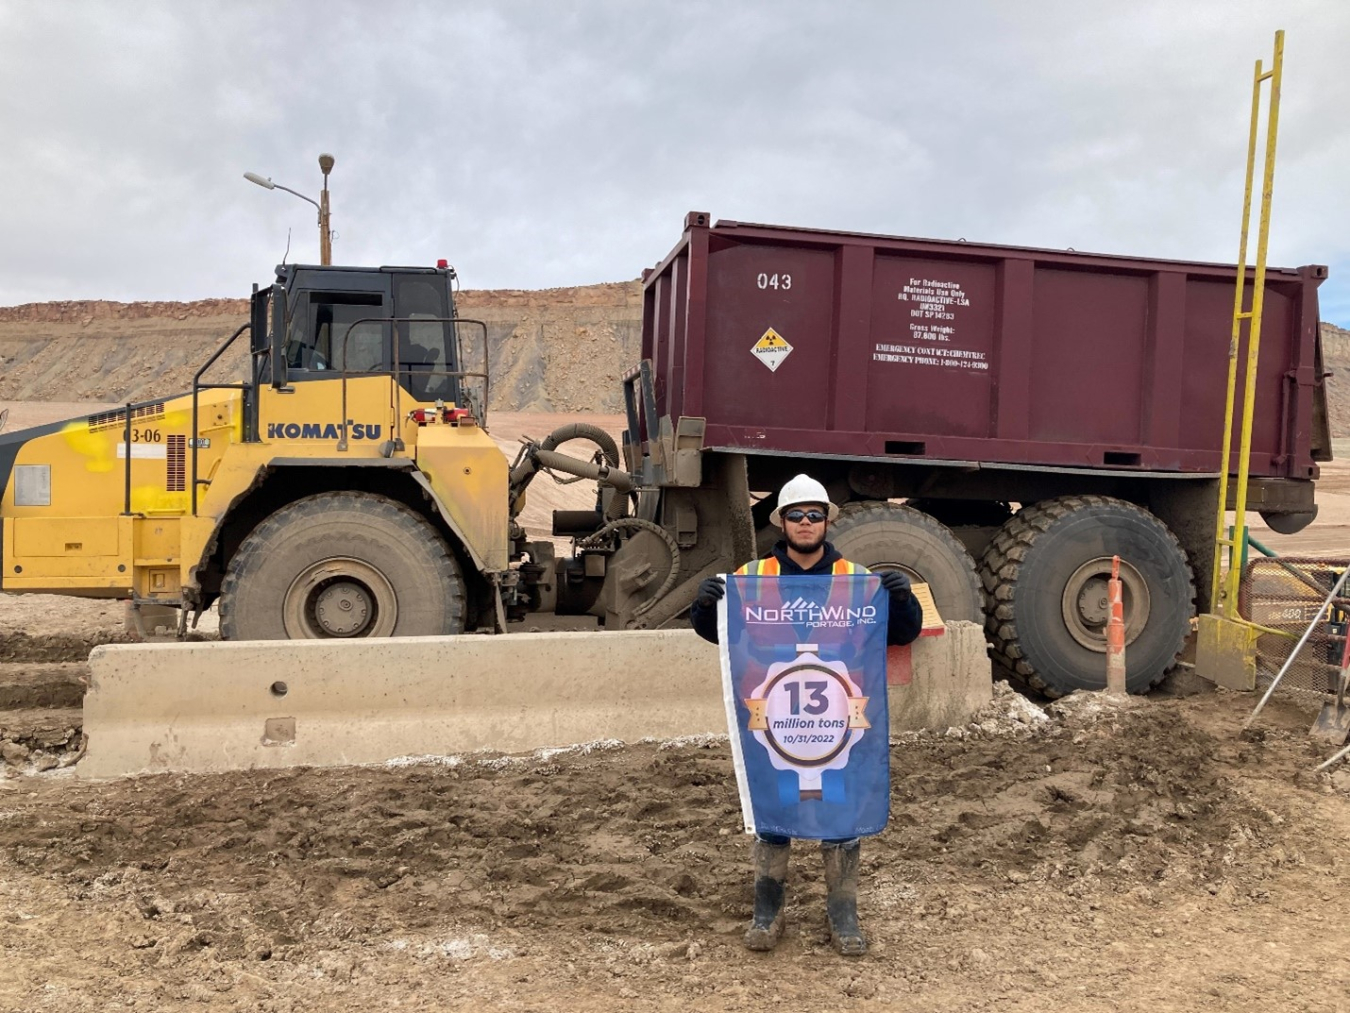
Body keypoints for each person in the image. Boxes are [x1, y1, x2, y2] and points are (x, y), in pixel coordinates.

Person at [690, 474, 923, 956]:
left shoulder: (858, 582)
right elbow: (724, 639)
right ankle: (766, 913)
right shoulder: (752, 579)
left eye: (814, 515)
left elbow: (899, 634)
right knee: (774, 815)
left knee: (839, 813)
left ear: (827, 522)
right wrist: (704, 609)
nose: (805, 523)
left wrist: (902, 599)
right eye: (796, 515)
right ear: (782, 521)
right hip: (775, 725)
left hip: (838, 727)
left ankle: (844, 915)